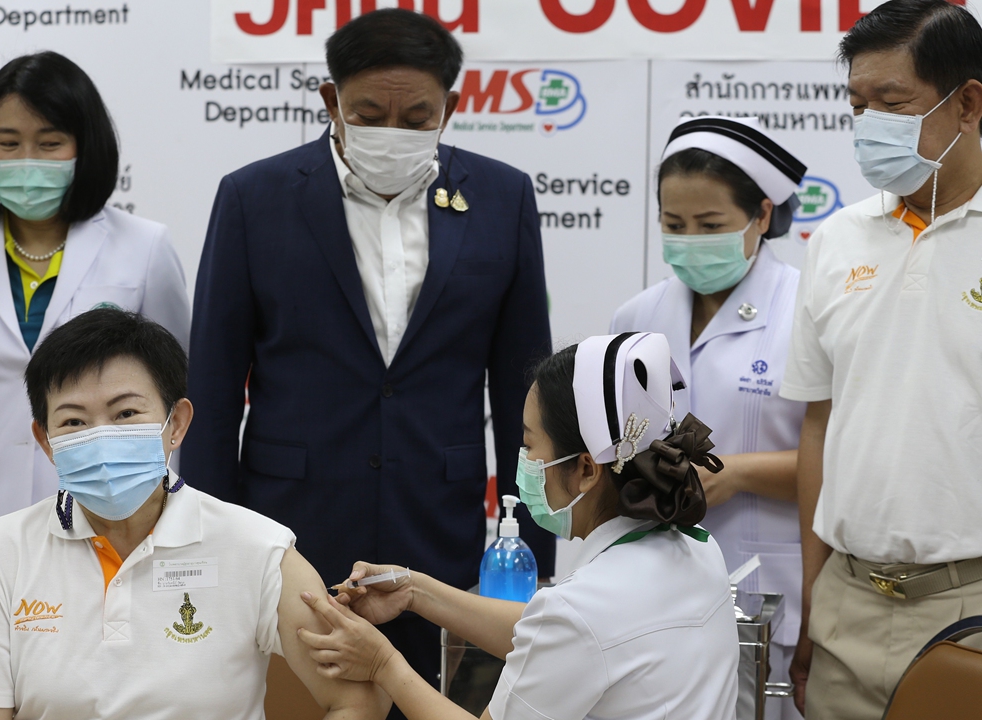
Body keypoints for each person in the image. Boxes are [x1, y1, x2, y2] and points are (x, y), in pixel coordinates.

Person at [180, 9, 554, 699]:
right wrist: (209, 551)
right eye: (369, 112)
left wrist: (534, 552)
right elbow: (212, 380)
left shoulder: (503, 199)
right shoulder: (252, 198)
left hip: (441, 540)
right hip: (287, 536)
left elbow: (523, 391)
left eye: (417, 117)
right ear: (331, 101)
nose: (394, 131)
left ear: (451, 108)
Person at [0, 310, 387, 720]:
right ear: (46, 441)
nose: (101, 437)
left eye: (125, 414)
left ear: (176, 423)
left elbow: (358, 699)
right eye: (74, 422)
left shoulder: (257, 548)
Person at [0, 51, 191, 665]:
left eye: (49, 142)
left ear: (85, 149)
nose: (26, 161)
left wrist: (173, 525)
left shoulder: (145, 248)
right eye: (7, 143)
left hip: (114, 518)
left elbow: (172, 403)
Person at [296, 333, 739, 719]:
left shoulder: (582, 609)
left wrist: (382, 665)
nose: (525, 462)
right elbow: (558, 639)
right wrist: (415, 591)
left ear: (586, 469)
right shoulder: (698, 548)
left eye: (530, 444)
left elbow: (569, 632)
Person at [781, 1, 982, 717]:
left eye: (892, 104)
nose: (870, 126)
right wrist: (812, 598)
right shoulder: (836, 241)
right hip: (847, 604)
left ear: (968, 104)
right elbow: (817, 423)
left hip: (971, 608)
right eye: (857, 105)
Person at [611, 116, 807, 719]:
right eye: (674, 225)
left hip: (778, 591)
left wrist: (738, 473)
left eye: (711, 225)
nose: (689, 240)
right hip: (656, 593)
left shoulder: (808, 310)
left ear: (762, 216)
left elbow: (852, 459)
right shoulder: (637, 315)